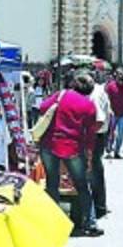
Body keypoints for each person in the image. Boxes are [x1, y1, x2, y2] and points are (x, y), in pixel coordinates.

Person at [38, 72, 99, 236]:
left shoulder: (62, 95)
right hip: (72, 146)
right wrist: (89, 155)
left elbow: (43, 107)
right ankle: (90, 222)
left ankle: (53, 222)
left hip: (49, 144)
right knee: (81, 185)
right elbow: (90, 134)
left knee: (52, 184)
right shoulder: (89, 105)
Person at [87, 74, 111, 219]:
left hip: (95, 136)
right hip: (98, 135)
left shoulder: (95, 94)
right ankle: (99, 205)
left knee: (93, 171)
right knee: (95, 170)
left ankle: (98, 206)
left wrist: (86, 137)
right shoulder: (98, 91)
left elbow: (99, 120)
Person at [104, 67, 123, 158]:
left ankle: (117, 151)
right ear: (116, 77)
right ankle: (109, 147)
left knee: (121, 134)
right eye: (119, 76)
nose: (121, 79)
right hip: (113, 112)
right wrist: (108, 109)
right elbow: (106, 98)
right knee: (111, 132)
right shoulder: (110, 86)